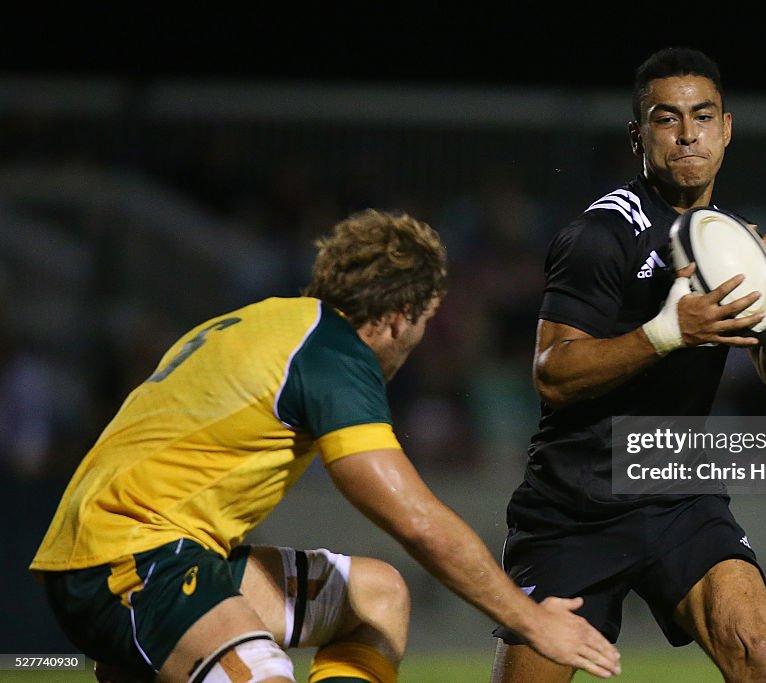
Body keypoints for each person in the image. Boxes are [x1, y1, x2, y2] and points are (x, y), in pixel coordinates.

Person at [30, 209, 621, 683]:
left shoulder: (271, 323)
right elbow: (417, 521)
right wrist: (534, 623)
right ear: (400, 316)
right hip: (130, 559)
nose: (419, 342)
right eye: (424, 323)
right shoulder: (331, 356)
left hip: (157, 552)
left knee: (376, 596)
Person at [490, 47, 766, 682]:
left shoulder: (729, 241)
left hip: (678, 485)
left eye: (703, 116)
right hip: (576, 500)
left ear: (727, 129)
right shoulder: (601, 234)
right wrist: (665, 334)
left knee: (753, 642)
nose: (688, 133)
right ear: (639, 136)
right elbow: (553, 372)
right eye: (667, 119)